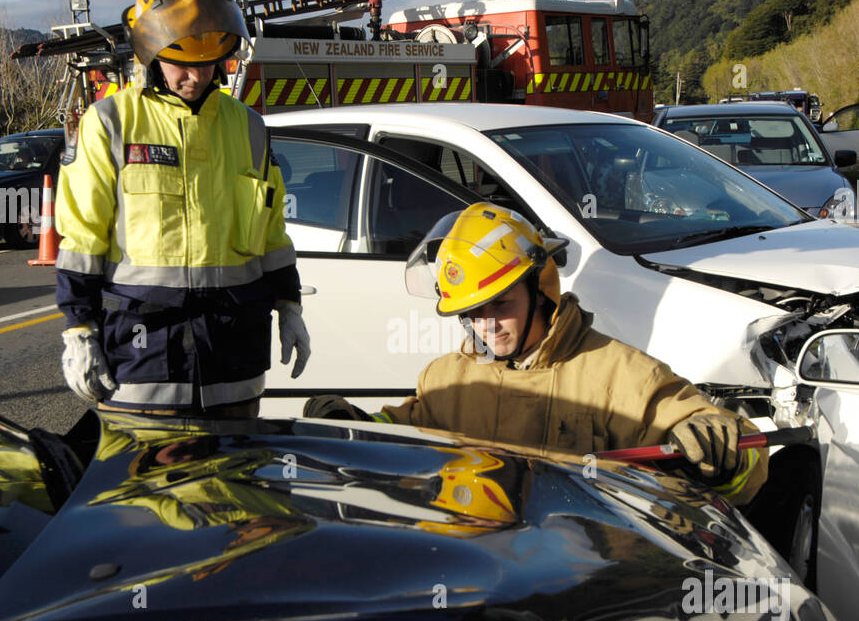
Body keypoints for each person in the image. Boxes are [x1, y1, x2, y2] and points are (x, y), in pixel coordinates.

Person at [304, 203, 767, 506]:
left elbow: (745, 463)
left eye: (501, 305)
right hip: (476, 567)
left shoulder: (618, 374)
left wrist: (717, 445)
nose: (487, 326)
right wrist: (351, 424)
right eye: (472, 313)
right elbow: (408, 431)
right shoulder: (447, 380)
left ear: (540, 290)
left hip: (582, 581)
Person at [55, 0, 309, 418]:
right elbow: (83, 239)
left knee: (237, 485)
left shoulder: (249, 127)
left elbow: (272, 234)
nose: (197, 78)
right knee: (146, 486)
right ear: (151, 53)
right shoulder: (111, 123)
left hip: (234, 358)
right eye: (182, 65)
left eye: (208, 64)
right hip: (144, 359)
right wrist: (79, 329)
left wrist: (289, 304)